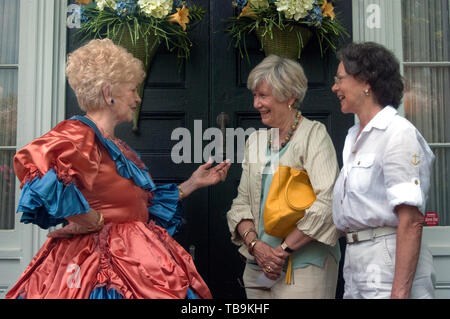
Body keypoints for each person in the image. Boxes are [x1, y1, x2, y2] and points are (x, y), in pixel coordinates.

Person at [6, 39, 230, 299]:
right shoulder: (80, 134)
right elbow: (39, 168)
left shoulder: (115, 145)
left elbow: (135, 205)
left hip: (135, 255)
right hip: (98, 263)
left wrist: (193, 183)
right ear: (107, 92)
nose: (138, 98)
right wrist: (90, 220)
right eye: (133, 89)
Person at [226, 55, 341, 299]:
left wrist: (281, 251)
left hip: (303, 268)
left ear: (290, 97)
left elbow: (328, 201)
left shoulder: (313, 135)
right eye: (255, 95)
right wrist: (256, 247)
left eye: (263, 95)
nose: (256, 103)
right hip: (258, 269)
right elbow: (241, 202)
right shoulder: (255, 141)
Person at [331, 42, 436, 299]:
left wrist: (399, 295)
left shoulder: (398, 133)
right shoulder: (354, 136)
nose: (334, 87)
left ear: (366, 81)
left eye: (340, 79)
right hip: (356, 260)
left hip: (388, 258)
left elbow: (411, 221)